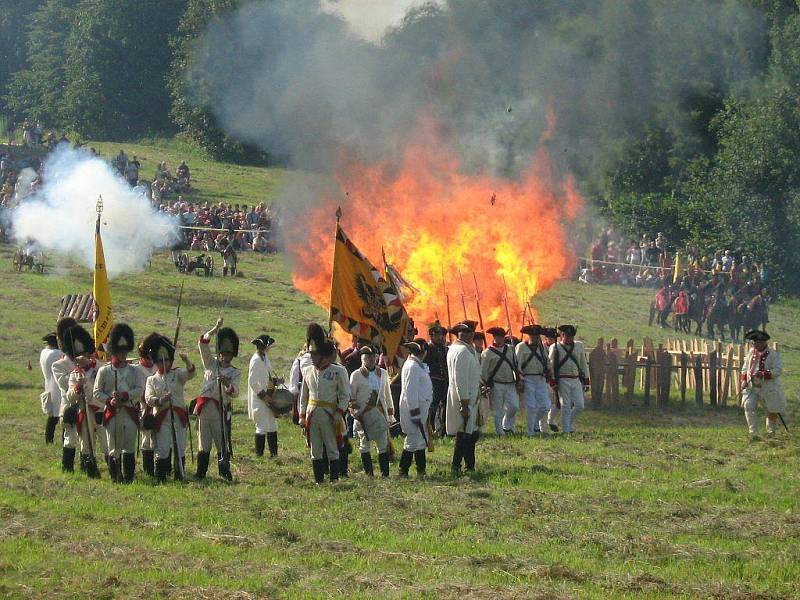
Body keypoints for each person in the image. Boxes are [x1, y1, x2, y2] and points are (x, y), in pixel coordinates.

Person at [299, 323, 350, 484]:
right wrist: (301, 415)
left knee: (332, 448)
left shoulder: (339, 371)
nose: (312, 358)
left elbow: (344, 395)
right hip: (312, 415)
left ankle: (334, 479)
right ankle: (318, 480)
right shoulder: (307, 371)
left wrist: (339, 412)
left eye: (315, 355)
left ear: (323, 356)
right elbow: (304, 396)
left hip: (330, 415)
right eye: (311, 355)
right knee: (316, 449)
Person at [93, 324, 142, 482]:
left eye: (125, 351)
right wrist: (110, 400)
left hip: (128, 411)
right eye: (120, 351)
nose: (123, 354)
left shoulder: (134, 370)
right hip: (112, 412)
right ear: (114, 351)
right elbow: (96, 392)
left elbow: (139, 390)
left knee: (129, 446)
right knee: (113, 446)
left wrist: (125, 395)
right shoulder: (104, 371)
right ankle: (115, 476)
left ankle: (128, 476)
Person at [193, 319, 240, 481]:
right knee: (203, 443)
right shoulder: (210, 363)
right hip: (205, 410)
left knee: (222, 443)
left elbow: (235, 392)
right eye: (222, 353)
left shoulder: (235, 372)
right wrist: (215, 329)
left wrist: (227, 383)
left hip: (220, 410)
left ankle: (224, 471)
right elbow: (203, 343)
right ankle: (201, 472)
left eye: (228, 354)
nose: (224, 357)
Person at [145, 335, 196, 482]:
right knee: (162, 448)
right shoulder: (152, 379)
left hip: (178, 416)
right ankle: (161, 477)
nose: (164, 364)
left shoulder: (177, 374)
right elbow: (148, 398)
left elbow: (191, 374)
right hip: (162, 418)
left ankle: (179, 474)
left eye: (166, 360)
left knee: (180, 447)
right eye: (160, 361)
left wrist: (187, 361)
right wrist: (160, 400)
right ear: (156, 362)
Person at [62, 325, 106, 478]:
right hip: (84, 411)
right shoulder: (75, 374)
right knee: (86, 443)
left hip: (100, 410)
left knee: (106, 444)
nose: (81, 358)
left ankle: (114, 470)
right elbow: (70, 397)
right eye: (79, 356)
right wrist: (76, 388)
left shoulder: (99, 368)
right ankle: (90, 470)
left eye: (84, 355)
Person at [348, 346, 393, 477]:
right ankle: (369, 474)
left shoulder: (383, 373)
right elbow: (351, 397)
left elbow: (387, 394)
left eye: (373, 357)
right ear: (362, 359)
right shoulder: (356, 375)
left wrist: (390, 415)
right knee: (364, 445)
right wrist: (355, 412)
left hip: (380, 414)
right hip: (364, 415)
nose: (371, 360)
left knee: (383, 444)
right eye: (368, 357)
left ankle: (385, 474)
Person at [445, 321, 482, 475]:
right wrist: (464, 404)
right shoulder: (462, 352)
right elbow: (461, 380)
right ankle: (457, 465)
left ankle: (469, 465)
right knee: (464, 434)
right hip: (465, 398)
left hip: (468, 396)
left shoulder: (458, 349)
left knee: (470, 432)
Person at [740, 330, 786, 437]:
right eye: (754, 343)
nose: (755, 345)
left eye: (758, 343)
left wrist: (764, 374)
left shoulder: (773, 354)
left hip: (768, 387)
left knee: (771, 409)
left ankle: (771, 432)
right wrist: (743, 380)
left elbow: (778, 370)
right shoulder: (751, 352)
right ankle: (753, 433)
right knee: (748, 406)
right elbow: (745, 368)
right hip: (752, 387)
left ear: (764, 342)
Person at [398, 339, 433, 478]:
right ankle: (403, 470)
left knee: (420, 441)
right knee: (412, 441)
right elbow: (410, 392)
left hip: (421, 408)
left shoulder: (417, 365)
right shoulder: (412, 366)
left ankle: (421, 470)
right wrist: (415, 412)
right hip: (415, 409)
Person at [481, 327, 522, 435]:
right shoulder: (487, 353)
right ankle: (500, 432)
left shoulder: (510, 349)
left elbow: (516, 365)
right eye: (498, 336)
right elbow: (484, 371)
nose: (500, 339)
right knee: (497, 410)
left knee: (514, 406)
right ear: (494, 337)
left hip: (510, 383)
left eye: (502, 336)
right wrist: (484, 385)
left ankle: (507, 425)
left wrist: (519, 379)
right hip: (496, 384)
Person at [549, 325, 589, 434]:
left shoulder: (579, 346)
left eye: (571, 336)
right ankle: (566, 430)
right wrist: (552, 381)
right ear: (562, 335)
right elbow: (551, 366)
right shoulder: (555, 347)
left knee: (580, 405)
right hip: (562, 379)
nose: (569, 338)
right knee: (565, 405)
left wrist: (586, 380)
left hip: (576, 379)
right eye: (566, 335)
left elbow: (583, 363)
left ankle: (568, 423)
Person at [247, 334, 280, 458]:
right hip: (260, 399)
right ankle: (259, 456)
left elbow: (268, 377)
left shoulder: (265, 358)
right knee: (261, 426)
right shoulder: (255, 360)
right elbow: (253, 382)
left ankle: (274, 455)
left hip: (269, 395)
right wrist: (264, 397)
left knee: (272, 425)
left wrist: (277, 381)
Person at [516, 325, 552, 437]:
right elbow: (517, 365)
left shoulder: (542, 347)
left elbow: (547, 362)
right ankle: (531, 431)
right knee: (531, 406)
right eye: (533, 335)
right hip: (527, 378)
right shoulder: (521, 347)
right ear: (529, 335)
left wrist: (549, 371)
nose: (535, 338)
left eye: (537, 335)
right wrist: (520, 379)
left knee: (545, 405)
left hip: (541, 379)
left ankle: (535, 423)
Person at [52, 318, 78, 471]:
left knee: (86, 440)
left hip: (85, 404)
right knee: (70, 438)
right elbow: (64, 384)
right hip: (68, 403)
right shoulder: (59, 364)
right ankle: (67, 467)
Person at [134, 333, 159, 476]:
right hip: (143, 407)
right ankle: (148, 469)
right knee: (146, 439)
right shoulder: (136, 369)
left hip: (158, 405)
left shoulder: (159, 366)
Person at [424, 320, 448, 437]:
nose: (440, 337)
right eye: (437, 335)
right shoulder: (428, 349)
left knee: (446, 405)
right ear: (431, 335)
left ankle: (443, 429)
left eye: (441, 335)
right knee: (433, 406)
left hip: (444, 381)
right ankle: (430, 428)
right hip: (433, 381)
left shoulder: (444, 349)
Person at [39, 332, 63, 445]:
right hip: (58, 387)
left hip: (49, 384)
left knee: (52, 417)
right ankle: (64, 441)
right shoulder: (57, 353)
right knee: (64, 417)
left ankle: (49, 440)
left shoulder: (44, 352)